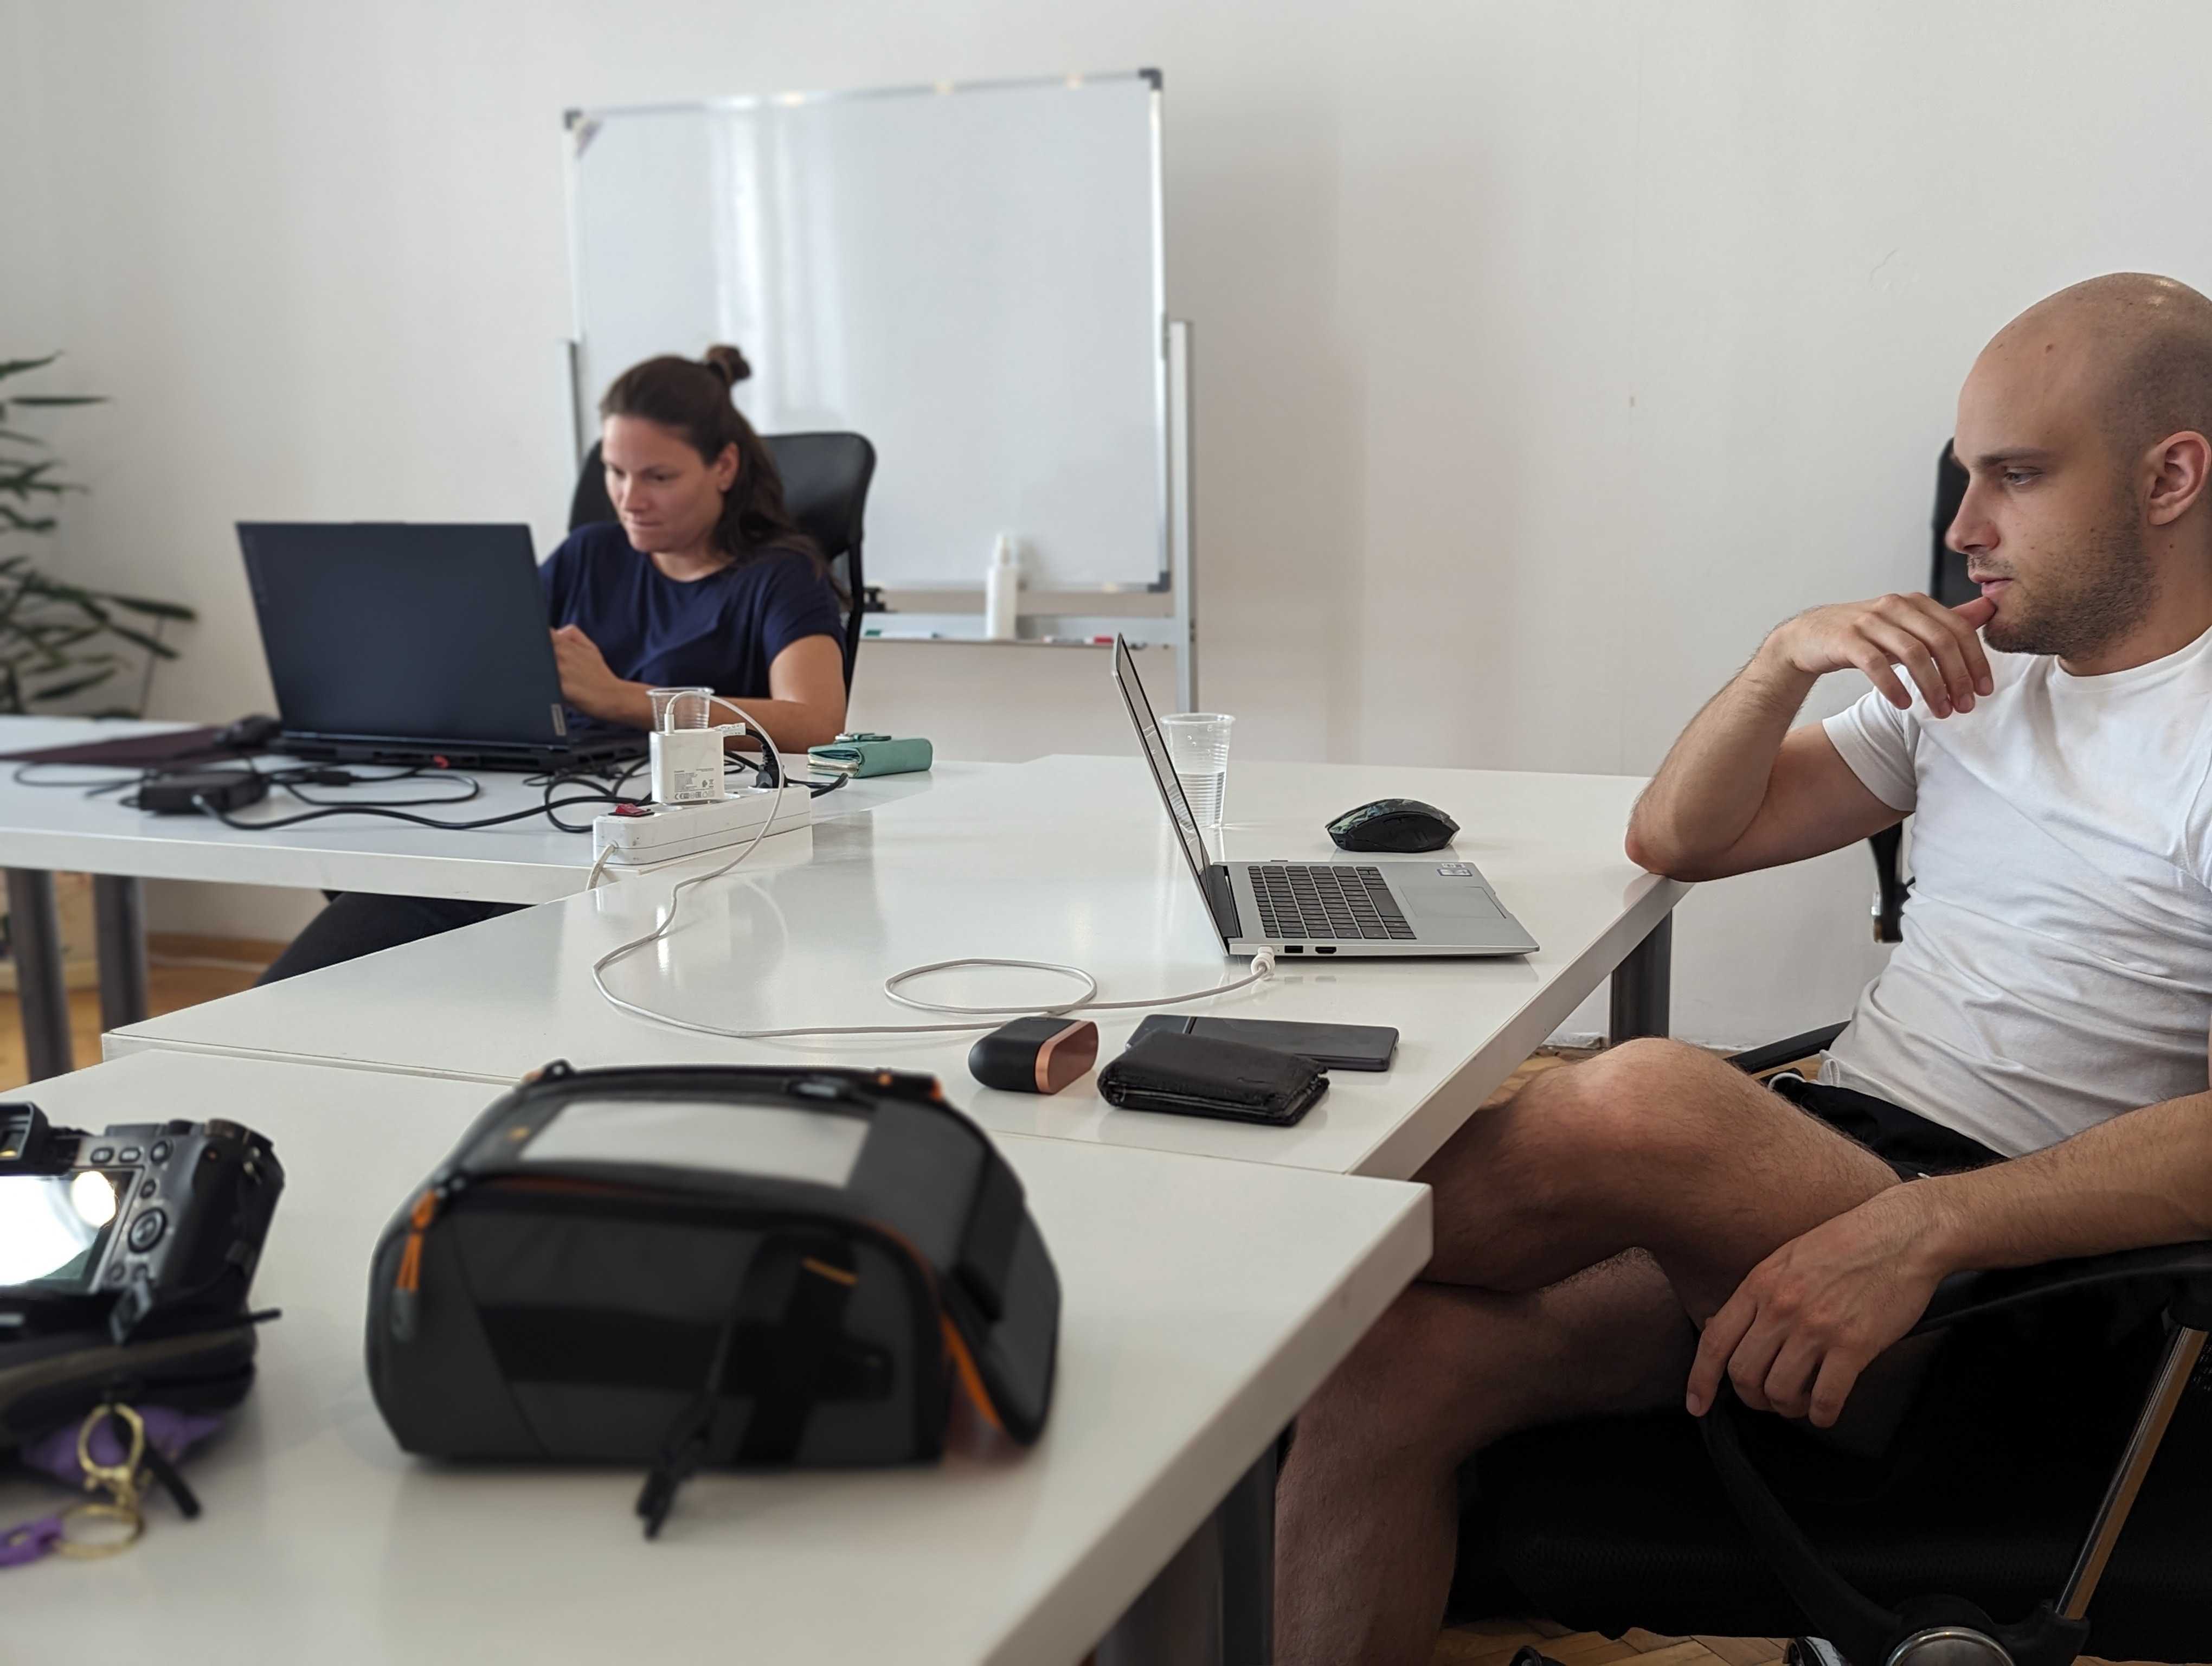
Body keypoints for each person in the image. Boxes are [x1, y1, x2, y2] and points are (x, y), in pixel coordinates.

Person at [1274, 272, 2212, 1664]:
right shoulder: (1975, 687)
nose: (1960, 529)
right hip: (1823, 1185)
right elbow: (1678, 833)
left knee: (1643, 1096)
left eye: (2012, 476)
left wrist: (1926, 1229)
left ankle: (1168, 1254)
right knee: (1380, 1372)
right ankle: (1200, 1291)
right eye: (1962, 477)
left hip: (2027, 1293)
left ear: (2169, 475)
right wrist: (1782, 657)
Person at [258, 344, 847, 984]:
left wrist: (624, 699)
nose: (629, 499)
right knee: (382, 884)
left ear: (724, 467)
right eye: (615, 473)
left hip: (671, 849)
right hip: (533, 817)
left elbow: (816, 722)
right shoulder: (588, 554)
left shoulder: (781, 577)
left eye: (658, 477)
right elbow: (484, 662)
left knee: (371, 945)